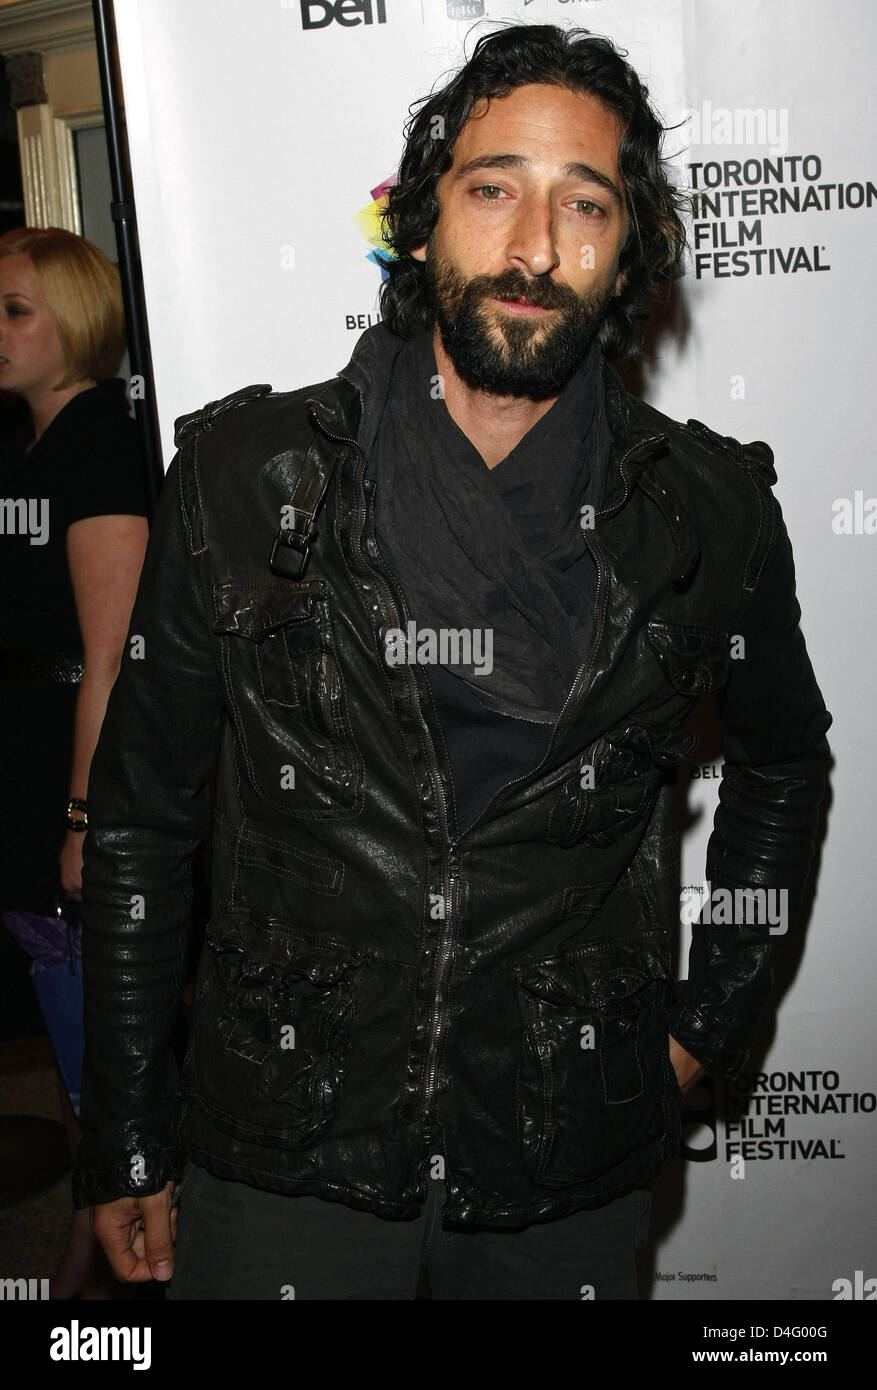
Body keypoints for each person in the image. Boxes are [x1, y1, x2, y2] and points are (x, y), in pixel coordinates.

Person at [74, 25, 831, 1300]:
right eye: (493, 190)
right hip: (287, 1142)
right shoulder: (245, 479)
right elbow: (144, 825)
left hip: (561, 1146)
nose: (534, 247)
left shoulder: (707, 514)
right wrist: (127, 1128)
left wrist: (706, 1027)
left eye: (583, 204)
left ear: (626, 248)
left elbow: (782, 765)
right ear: (419, 227)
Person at [0, 226, 149, 1296]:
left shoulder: (97, 440)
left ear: (78, 321)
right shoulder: (32, 442)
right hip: (23, 778)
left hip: (66, 785)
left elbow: (109, 658)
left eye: (14, 310)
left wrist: (83, 822)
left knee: (103, 1070)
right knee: (72, 1058)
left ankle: (91, 1291)